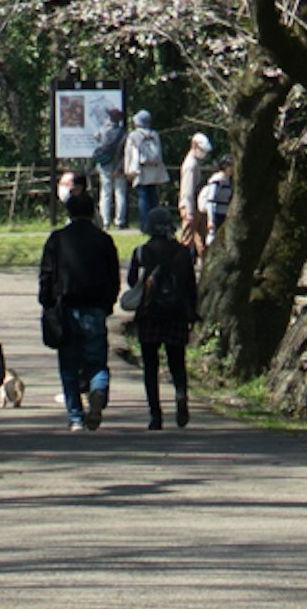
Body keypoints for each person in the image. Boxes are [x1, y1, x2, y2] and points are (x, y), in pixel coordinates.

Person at [37, 174, 120, 436]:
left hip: (65, 308)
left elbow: (47, 275)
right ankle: (98, 391)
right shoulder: (104, 240)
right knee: (97, 360)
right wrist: (108, 304)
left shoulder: (58, 239)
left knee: (69, 365)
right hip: (95, 308)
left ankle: (75, 417)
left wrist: (47, 301)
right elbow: (113, 277)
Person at [122, 206, 201, 432]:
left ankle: (155, 415)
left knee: (150, 366)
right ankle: (180, 393)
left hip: (149, 314)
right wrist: (191, 313)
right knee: (177, 362)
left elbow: (131, 282)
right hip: (176, 314)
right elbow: (190, 286)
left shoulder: (141, 252)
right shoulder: (183, 252)